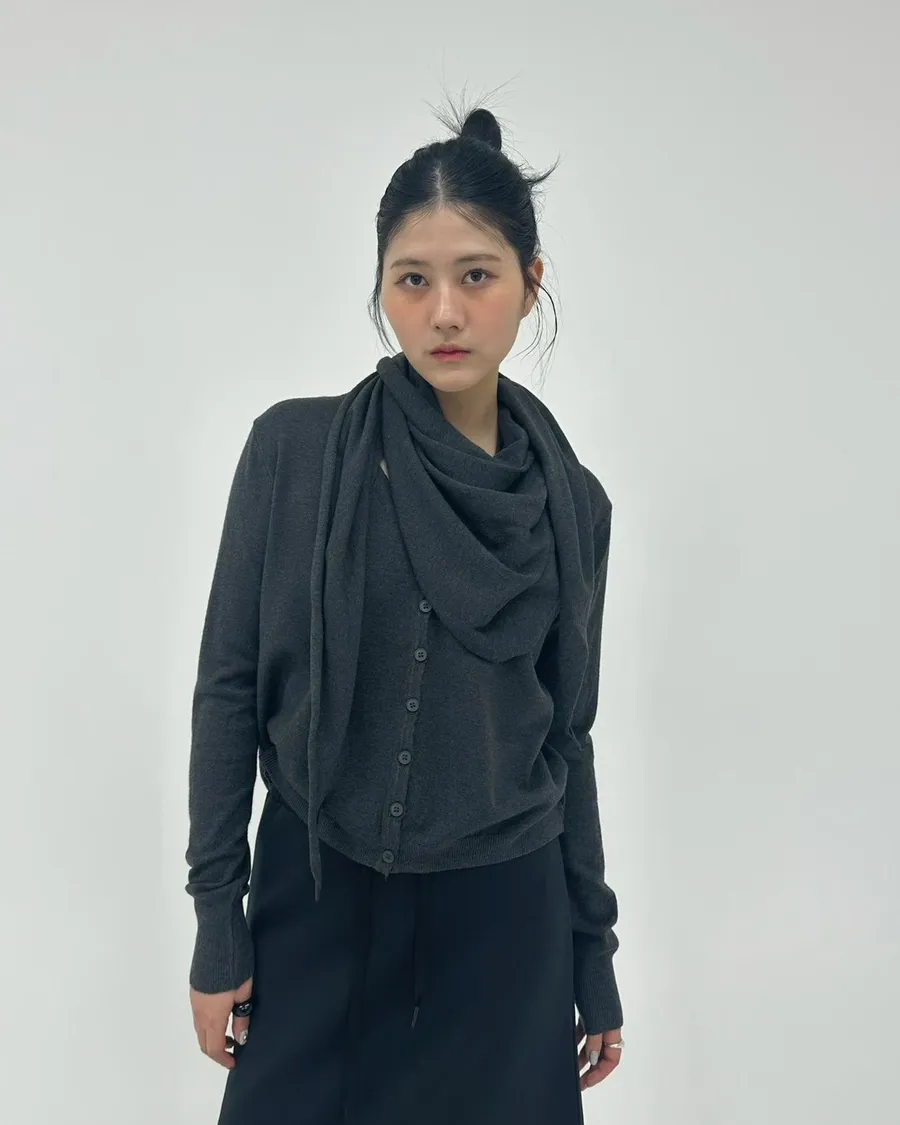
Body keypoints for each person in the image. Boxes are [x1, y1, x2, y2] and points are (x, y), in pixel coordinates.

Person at [185, 94, 624, 1125]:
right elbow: (229, 690)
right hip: (316, 895)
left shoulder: (573, 505)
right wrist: (217, 919)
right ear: (381, 287)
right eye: (412, 279)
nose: (444, 313)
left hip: (507, 923)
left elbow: (567, 737)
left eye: (477, 276)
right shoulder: (295, 454)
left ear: (530, 284)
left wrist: (592, 952)